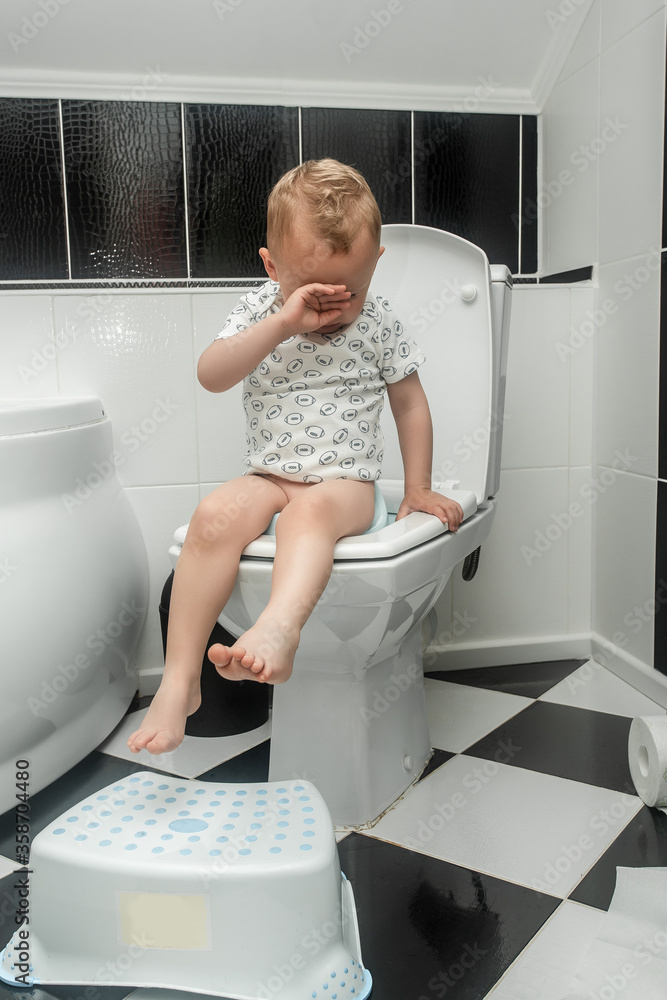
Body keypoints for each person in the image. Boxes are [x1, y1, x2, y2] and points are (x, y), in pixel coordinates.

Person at [128, 158, 463, 756]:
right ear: (271, 267)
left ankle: (281, 627)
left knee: (308, 518)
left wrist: (417, 487)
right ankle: (180, 681)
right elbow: (211, 374)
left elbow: (411, 405)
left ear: (376, 264)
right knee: (212, 517)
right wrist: (281, 323)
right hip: (270, 477)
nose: (331, 309)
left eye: (350, 291)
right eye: (312, 291)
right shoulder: (261, 311)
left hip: (347, 487)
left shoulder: (381, 322)